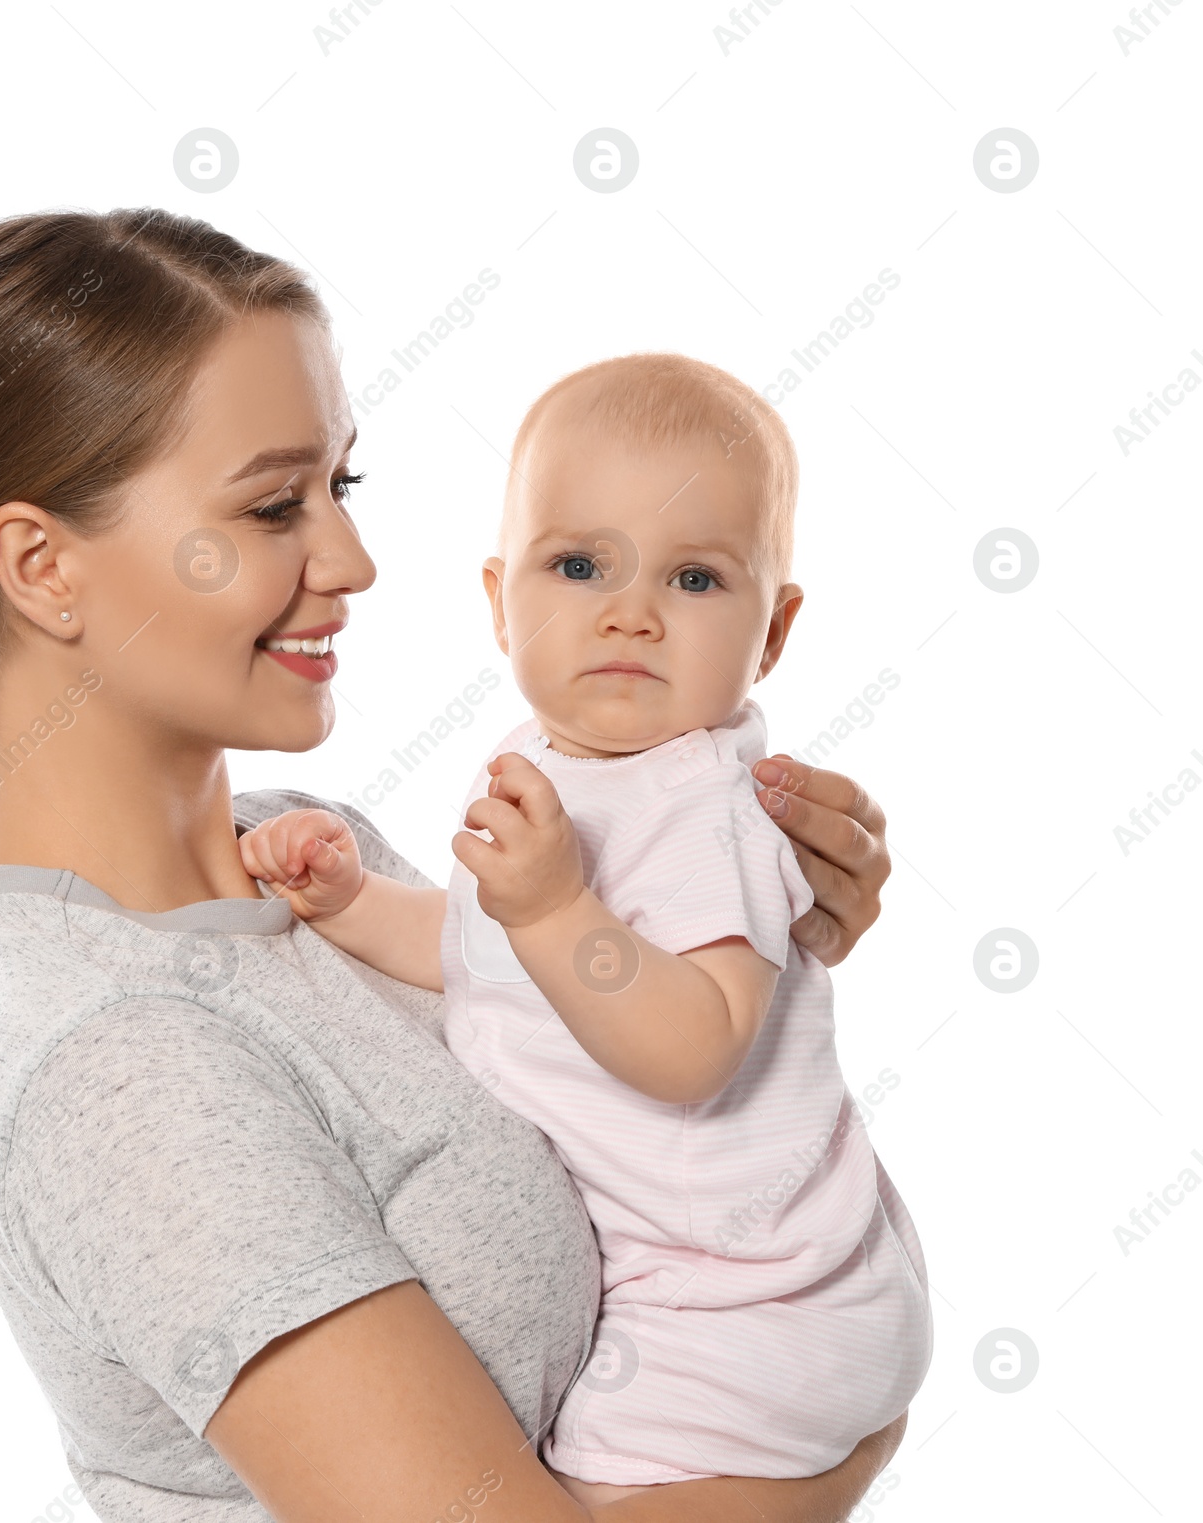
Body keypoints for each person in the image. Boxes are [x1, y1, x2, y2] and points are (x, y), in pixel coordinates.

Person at [0, 207, 904, 1521]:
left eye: (343, 485)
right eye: (274, 504)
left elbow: (598, 1069)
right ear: (43, 564)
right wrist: (845, 1442)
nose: (356, 561)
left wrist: (763, 914)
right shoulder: (126, 1072)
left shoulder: (302, 847)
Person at [238, 352, 931, 1501]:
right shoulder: (554, 762)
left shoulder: (703, 808)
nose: (631, 613)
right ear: (498, 599)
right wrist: (356, 901)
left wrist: (556, 907)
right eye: (578, 565)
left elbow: (696, 1042)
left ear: (773, 633)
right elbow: (487, 957)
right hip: (721, 1281)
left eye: (697, 580)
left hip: (747, 1302)